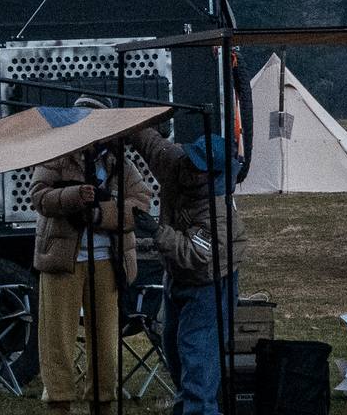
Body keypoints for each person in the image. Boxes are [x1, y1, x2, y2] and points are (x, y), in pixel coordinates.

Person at [30, 96, 153, 415]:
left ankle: (103, 401)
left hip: (106, 261)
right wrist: (73, 196)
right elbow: (38, 196)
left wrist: (101, 214)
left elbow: (142, 202)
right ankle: (59, 402)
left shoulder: (118, 161)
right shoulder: (56, 154)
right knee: (57, 338)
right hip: (62, 259)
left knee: (106, 341)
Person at [128, 124, 247, 415]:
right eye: (192, 160)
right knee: (173, 346)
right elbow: (148, 142)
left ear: (215, 174)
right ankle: (188, 408)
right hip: (177, 277)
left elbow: (195, 254)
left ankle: (201, 409)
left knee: (198, 354)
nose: (191, 169)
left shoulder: (216, 211)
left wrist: (157, 233)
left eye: (200, 168)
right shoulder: (176, 161)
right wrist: (134, 121)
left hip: (209, 283)